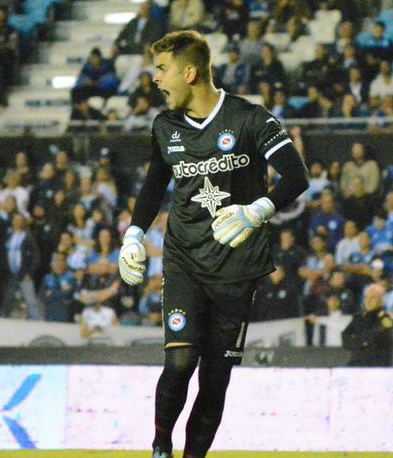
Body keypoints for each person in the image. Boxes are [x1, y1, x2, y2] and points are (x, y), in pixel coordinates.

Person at [116, 31, 308, 458]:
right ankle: (162, 443)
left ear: (190, 72)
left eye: (162, 70)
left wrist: (258, 209)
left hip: (238, 268)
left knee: (215, 378)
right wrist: (133, 234)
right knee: (180, 362)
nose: (157, 80)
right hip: (184, 259)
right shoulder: (165, 126)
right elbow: (154, 184)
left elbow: (297, 177)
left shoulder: (250, 119)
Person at [341, 283, 393, 367]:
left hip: (377, 366)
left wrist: (357, 341)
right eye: (367, 297)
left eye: (372, 298)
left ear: (380, 300)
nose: (368, 301)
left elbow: (376, 335)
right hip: (356, 365)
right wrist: (362, 343)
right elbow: (345, 337)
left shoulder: (385, 319)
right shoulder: (358, 318)